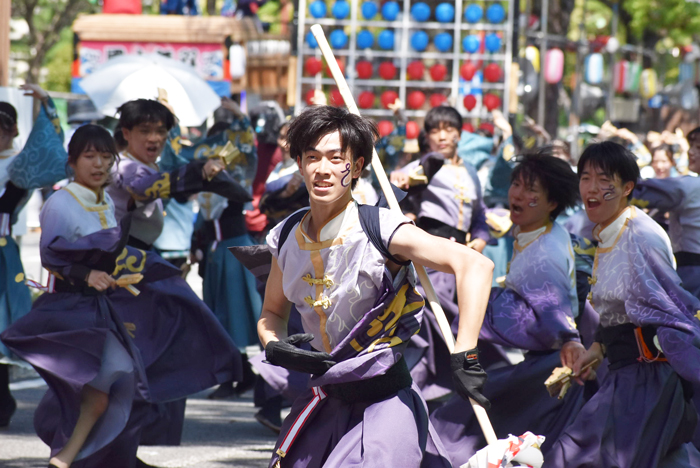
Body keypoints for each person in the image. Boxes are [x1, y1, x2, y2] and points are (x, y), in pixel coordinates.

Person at [258, 105, 494, 467]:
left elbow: (475, 264)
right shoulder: (286, 235)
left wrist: (466, 352)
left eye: (337, 158)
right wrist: (274, 346)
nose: (323, 169)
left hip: (385, 405)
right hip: (325, 401)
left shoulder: (380, 228)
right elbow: (272, 312)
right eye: (312, 157)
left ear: (357, 166)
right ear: (300, 163)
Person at [1, 125, 153, 467]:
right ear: (72, 162)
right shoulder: (61, 203)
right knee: (113, 377)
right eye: (89, 156)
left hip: (96, 306)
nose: (98, 164)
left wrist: (111, 276)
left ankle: (77, 458)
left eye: (105, 157)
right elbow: (51, 257)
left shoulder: (106, 200)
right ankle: (71, 457)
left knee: (109, 387)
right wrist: (87, 275)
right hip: (69, 308)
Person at [430, 151, 592, 464]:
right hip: (537, 357)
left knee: (461, 423)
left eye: (531, 190)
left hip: (549, 365)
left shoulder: (545, 254)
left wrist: (570, 340)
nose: (517, 194)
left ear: (552, 203)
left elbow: (555, 310)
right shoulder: (537, 233)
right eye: (516, 184)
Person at [546, 141, 700, 467]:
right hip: (624, 375)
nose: (591, 188)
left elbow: (675, 308)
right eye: (585, 177)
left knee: (571, 456)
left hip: (648, 381)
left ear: (627, 187)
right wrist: (598, 349)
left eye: (604, 180)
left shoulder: (641, 235)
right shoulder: (607, 231)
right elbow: (624, 307)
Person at [106, 98, 246, 446]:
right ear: (126, 133)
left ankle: (130, 445)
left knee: (163, 348)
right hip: (118, 277)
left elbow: (169, 181)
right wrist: (200, 172)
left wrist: (206, 170)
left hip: (142, 269)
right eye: (144, 131)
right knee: (137, 361)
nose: (154, 138)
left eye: (160, 131)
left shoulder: (145, 165)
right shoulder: (124, 169)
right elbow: (146, 188)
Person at [390, 105, 490, 401]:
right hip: (433, 256)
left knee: (467, 325)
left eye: (449, 129)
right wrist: (402, 199)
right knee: (432, 323)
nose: (442, 136)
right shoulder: (421, 166)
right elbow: (401, 199)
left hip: (466, 258)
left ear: (460, 133)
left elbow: (480, 216)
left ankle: (452, 392)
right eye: (435, 131)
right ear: (427, 136)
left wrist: (481, 240)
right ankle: (416, 391)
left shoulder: (470, 170)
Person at [0, 84, 51, 428]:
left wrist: (46, 105)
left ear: (13, 130)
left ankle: (2, 400)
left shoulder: (19, 166)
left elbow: (48, 151)